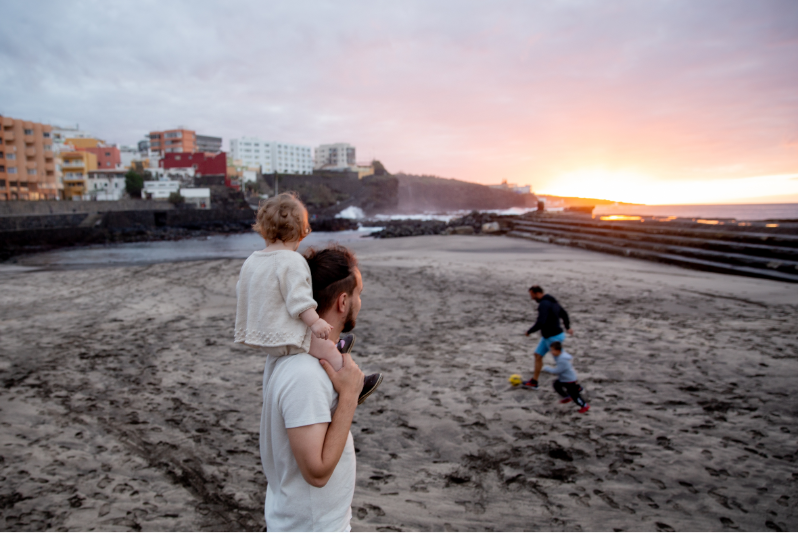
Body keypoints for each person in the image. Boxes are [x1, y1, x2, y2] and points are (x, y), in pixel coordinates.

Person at [258, 244, 367, 531]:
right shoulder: (305, 373)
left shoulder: (289, 354)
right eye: (359, 294)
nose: (360, 301)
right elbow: (316, 473)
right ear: (343, 301)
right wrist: (349, 397)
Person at [234, 192, 381, 402]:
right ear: (301, 232)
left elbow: (243, 291)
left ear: (263, 229)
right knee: (324, 347)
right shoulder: (291, 260)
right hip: (283, 336)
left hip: (261, 334)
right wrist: (315, 322)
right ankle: (356, 387)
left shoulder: (251, 261)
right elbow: (298, 298)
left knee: (313, 342)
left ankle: (336, 349)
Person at [522, 285, 572, 390]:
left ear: (537, 293)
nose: (531, 298)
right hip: (548, 336)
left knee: (561, 362)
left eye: (532, 295)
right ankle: (534, 382)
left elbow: (541, 322)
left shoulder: (544, 304)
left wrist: (529, 331)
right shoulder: (553, 301)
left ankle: (573, 384)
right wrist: (568, 327)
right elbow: (564, 314)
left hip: (553, 337)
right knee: (537, 355)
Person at [542, 341, 589, 413]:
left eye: (552, 350)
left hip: (569, 380)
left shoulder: (562, 360)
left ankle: (584, 405)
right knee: (556, 384)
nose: (551, 352)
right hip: (565, 379)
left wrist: (547, 368)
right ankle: (572, 392)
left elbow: (557, 371)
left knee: (574, 396)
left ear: (558, 350)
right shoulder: (561, 355)